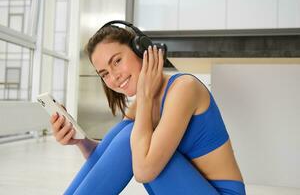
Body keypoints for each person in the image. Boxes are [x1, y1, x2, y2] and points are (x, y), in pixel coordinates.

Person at [50, 21, 246, 195]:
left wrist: (145, 97)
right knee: (128, 135)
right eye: (104, 74)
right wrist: (81, 141)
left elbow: (144, 171)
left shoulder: (184, 88)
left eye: (117, 61)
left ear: (141, 50)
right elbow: (110, 161)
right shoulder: (140, 106)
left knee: (131, 137)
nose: (114, 77)